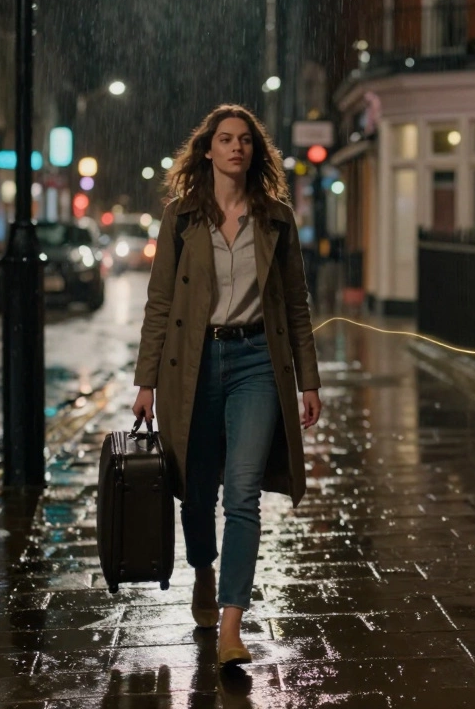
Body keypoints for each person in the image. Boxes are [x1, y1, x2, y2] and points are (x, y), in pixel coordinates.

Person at [132, 104, 322, 667]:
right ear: (208, 151)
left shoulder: (278, 218)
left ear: (254, 152)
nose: (236, 147)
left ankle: (231, 623)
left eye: (245, 140)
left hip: (258, 360)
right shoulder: (182, 218)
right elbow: (160, 303)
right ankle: (203, 569)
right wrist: (146, 382)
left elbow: (295, 303)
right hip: (192, 364)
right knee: (196, 488)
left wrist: (308, 379)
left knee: (242, 492)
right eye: (225, 139)